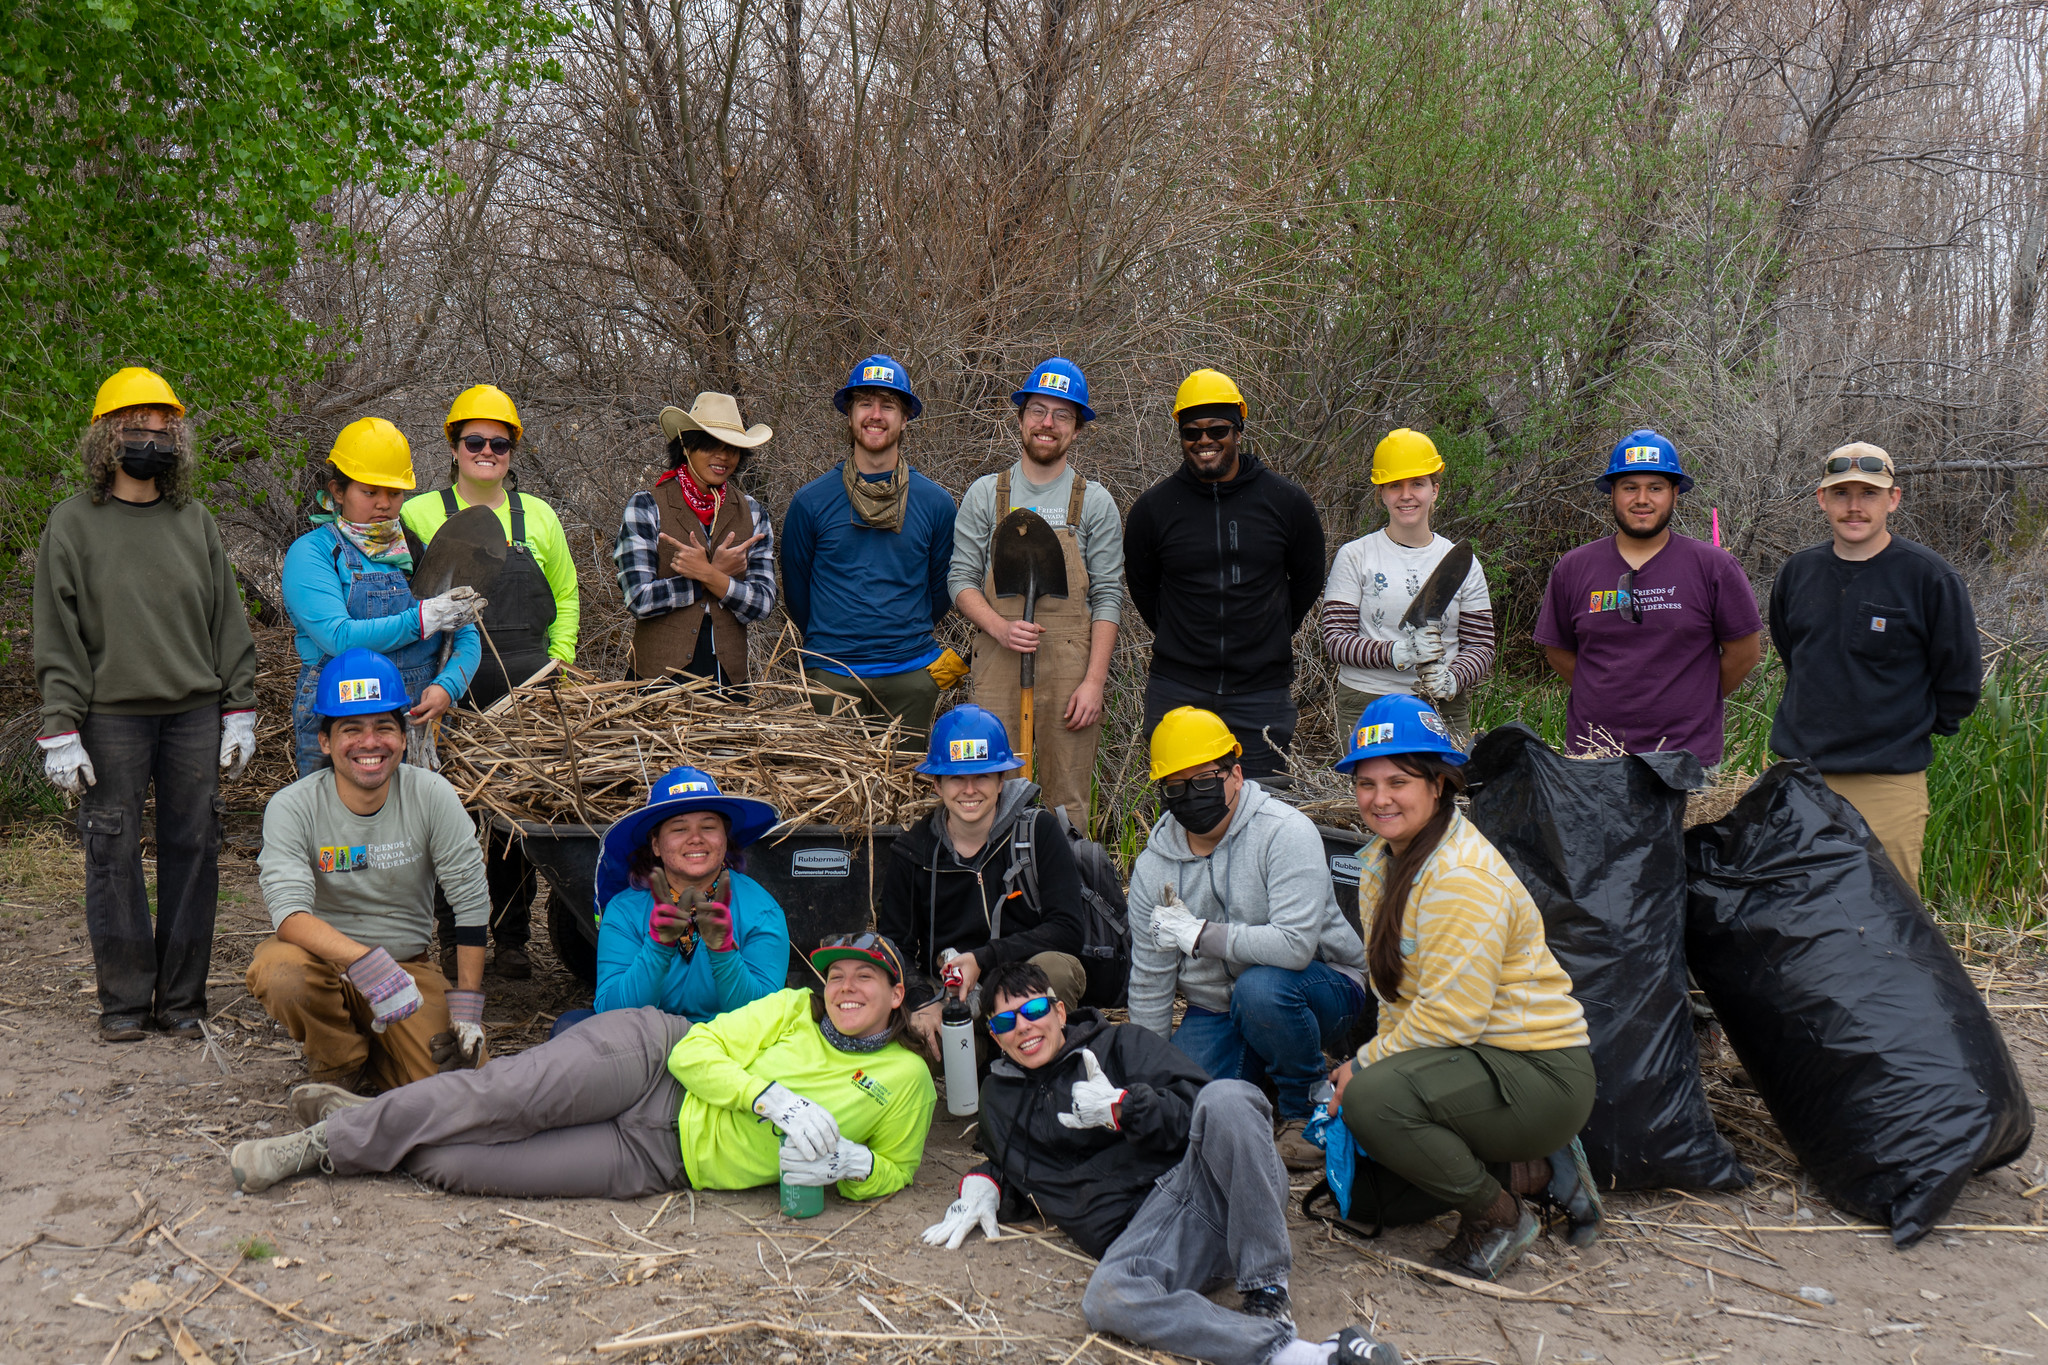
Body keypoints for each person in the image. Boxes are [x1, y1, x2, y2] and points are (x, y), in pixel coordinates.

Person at [920, 959, 1399, 1365]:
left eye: (1035, 1009)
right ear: (993, 1036)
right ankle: (1306, 1355)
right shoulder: (1000, 1100)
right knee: (1107, 1298)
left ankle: (1267, 1289)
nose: (1023, 1027)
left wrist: (1125, 1107)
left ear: (1059, 1010)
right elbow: (1007, 1160)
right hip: (1149, 1243)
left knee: (1230, 1096)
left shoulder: (1120, 1045)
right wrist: (983, 1184)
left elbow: (1203, 1110)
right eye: (1006, 1023)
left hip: (1210, 1190)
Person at [230, 933, 937, 1203]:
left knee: (459, 1167)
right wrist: (769, 1099)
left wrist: (851, 1165)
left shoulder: (906, 1082)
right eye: (837, 974)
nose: (846, 987)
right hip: (652, 1061)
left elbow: (897, 1169)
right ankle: (321, 1147)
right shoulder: (790, 1007)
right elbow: (697, 1051)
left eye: (866, 979)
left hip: (665, 1158)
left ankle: (365, 1118)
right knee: (502, 1097)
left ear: (897, 995)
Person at [1326, 695, 1603, 1281]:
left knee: (1372, 1101)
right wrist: (1371, 1065)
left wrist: (1364, 1069)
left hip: (1538, 1070)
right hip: (1479, 1057)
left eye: (1398, 781)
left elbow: (1451, 1020)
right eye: (1366, 782)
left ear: (1438, 783)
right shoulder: (1384, 859)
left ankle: (1500, 1216)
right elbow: (1397, 999)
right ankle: (1539, 1168)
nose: (1379, 799)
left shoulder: (1458, 877)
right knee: (1379, 1198)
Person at [32, 367, 259, 1042]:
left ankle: (183, 1001)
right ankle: (125, 1002)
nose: (152, 440)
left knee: (194, 850)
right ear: (107, 437)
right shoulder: (72, 524)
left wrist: (237, 707)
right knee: (112, 854)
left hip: (193, 711)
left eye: (164, 429)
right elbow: (58, 636)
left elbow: (227, 621)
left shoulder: (195, 521)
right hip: (111, 717)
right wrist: (61, 728)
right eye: (137, 428)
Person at [1126, 707, 1367, 1170]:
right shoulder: (1153, 867)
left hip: (1319, 988)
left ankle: (1305, 1105)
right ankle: (1270, 1070)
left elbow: (1296, 947)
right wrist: (1144, 1073)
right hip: (1218, 1008)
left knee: (1262, 990)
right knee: (1181, 1112)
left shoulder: (1284, 833)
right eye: (1175, 787)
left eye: (1203, 780)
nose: (1190, 796)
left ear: (1235, 774)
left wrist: (1201, 936)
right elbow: (1151, 979)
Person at [246, 650, 492, 1095]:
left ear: (402, 736)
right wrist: (364, 962)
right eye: (351, 729)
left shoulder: (431, 795)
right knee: (279, 969)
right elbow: (289, 915)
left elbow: (471, 900)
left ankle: (385, 1052)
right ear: (324, 741)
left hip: (407, 975)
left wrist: (467, 1007)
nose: (369, 742)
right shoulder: (293, 806)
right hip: (325, 968)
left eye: (383, 727)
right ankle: (339, 1065)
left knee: (459, 1088)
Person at [404, 384, 581, 980]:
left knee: (516, 820)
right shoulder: (418, 513)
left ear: (512, 451)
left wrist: (559, 666)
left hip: (528, 690)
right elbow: (406, 603)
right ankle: (455, 936)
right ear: (453, 446)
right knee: (450, 819)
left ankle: (510, 939)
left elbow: (566, 596)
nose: (487, 451)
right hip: (446, 691)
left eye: (499, 443)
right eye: (474, 441)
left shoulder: (540, 517)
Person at [1767, 443, 1981, 890]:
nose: (1855, 507)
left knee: (1890, 923)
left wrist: (1900, 732)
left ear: (1894, 499)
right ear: (1823, 499)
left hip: (1887, 782)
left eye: (1869, 493)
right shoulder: (1797, 573)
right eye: (1842, 493)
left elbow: (1959, 682)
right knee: (1801, 918)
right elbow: (1795, 656)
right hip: (1802, 778)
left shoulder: (1929, 578)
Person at [1125, 369, 1324, 783]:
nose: (1204, 441)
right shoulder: (1154, 509)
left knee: (1262, 813)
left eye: (1217, 429)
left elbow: (1307, 580)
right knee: (1183, 811)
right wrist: (1182, 637)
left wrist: (1266, 634)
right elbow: (1143, 586)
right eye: (1191, 432)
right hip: (1177, 689)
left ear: (1238, 430)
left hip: (1261, 692)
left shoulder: (1285, 501)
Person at [949, 359, 1124, 821]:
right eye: (1038, 411)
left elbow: (1107, 596)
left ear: (1078, 428)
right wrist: (999, 628)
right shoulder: (986, 494)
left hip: (1071, 673)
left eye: (1062, 415)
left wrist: (1093, 683)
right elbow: (961, 580)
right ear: (1021, 418)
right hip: (998, 664)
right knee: (990, 792)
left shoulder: (1095, 502)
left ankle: (1066, 891)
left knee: (1067, 803)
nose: (1048, 424)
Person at [1534, 429, 1762, 767]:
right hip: (1595, 757)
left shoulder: (1714, 567)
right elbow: (1559, 652)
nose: (1642, 499)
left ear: (1674, 494)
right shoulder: (1574, 567)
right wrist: (1605, 692)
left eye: (1655, 488)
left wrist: (1692, 700)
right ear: (1612, 493)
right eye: (1630, 488)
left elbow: (1744, 654)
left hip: (1686, 761)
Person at [877, 706, 1088, 1056]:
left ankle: (1044, 1072)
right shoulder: (912, 851)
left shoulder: (1037, 832)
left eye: (983, 777)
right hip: (950, 996)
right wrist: (919, 1000)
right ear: (937, 784)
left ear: (1001, 780)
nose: (970, 790)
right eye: (957, 778)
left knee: (1056, 971)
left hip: (1022, 984)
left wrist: (983, 959)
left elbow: (1068, 928)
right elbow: (893, 945)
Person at [281, 418, 485, 776]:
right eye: (370, 492)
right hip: (339, 720)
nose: (384, 504)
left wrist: (446, 688)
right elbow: (338, 637)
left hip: (418, 719)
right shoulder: (313, 553)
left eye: (394, 493)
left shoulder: (417, 552)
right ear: (338, 491)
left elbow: (466, 636)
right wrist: (423, 619)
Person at [782, 355, 958, 745]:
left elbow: (940, 590)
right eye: (865, 403)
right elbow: (796, 593)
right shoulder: (810, 502)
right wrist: (838, 644)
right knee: (835, 801)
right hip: (833, 676)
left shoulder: (936, 504)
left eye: (888, 405)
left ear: (906, 417)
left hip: (911, 676)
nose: (875, 415)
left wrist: (898, 637)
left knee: (908, 797)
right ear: (849, 414)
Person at [545, 766, 790, 1038]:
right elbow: (612, 1013)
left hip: (728, 1049)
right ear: (656, 845)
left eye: (708, 827)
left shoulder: (761, 911)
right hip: (647, 1046)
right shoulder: (626, 910)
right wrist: (657, 947)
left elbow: (765, 1020)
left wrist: (724, 953)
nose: (695, 838)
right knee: (568, 1030)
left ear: (724, 839)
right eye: (679, 828)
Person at [1321, 428, 1494, 741]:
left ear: (1435, 490)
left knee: (1446, 789)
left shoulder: (1459, 562)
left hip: (1442, 705)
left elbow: (1481, 645)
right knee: (1372, 790)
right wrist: (1397, 652)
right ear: (1381, 493)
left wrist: (1453, 679)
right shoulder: (1356, 556)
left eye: (1418, 483)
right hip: (1367, 701)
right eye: (1394, 485)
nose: (1406, 495)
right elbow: (1336, 640)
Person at [613, 391, 778, 686]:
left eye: (732, 448)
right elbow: (638, 598)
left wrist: (708, 573)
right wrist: (710, 577)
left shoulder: (753, 513)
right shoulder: (646, 506)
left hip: (729, 683)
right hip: (655, 684)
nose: (723, 456)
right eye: (710, 444)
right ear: (686, 446)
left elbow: (763, 603)